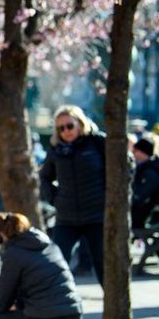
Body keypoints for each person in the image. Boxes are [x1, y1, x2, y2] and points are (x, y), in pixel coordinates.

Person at [39, 105, 107, 286]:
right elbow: (45, 177)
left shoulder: (97, 142)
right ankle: (55, 304)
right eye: (60, 128)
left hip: (96, 215)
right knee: (56, 261)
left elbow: (123, 166)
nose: (66, 132)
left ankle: (113, 307)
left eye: (69, 126)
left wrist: (106, 198)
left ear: (80, 124)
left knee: (103, 264)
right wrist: (55, 199)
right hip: (67, 216)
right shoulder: (57, 150)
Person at [130, 137, 159, 230]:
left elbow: (140, 196)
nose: (133, 154)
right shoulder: (153, 168)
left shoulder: (150, 172)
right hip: (149, 212)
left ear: (142, 152)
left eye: (135, 150)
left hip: (146, 215)